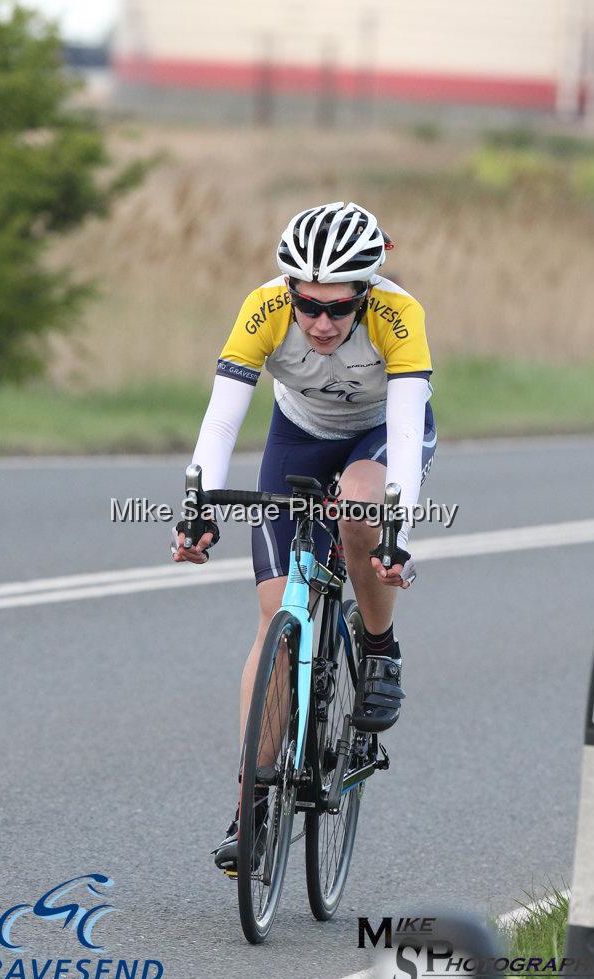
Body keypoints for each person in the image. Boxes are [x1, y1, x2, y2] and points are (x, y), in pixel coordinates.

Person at [171, 201, 436, 871]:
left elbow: (406, 429)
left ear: (365, 294)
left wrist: (394, 529)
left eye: (337, 309)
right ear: (289, 288)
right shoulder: (262, 308)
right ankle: (252, 804)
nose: (320, 322)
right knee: (274, 624)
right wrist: (197, 504)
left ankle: (378, 650)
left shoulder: (398, 316)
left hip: (376, 438)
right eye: (307, 304)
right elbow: (224, 418)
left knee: (356, 510)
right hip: (298, 438)